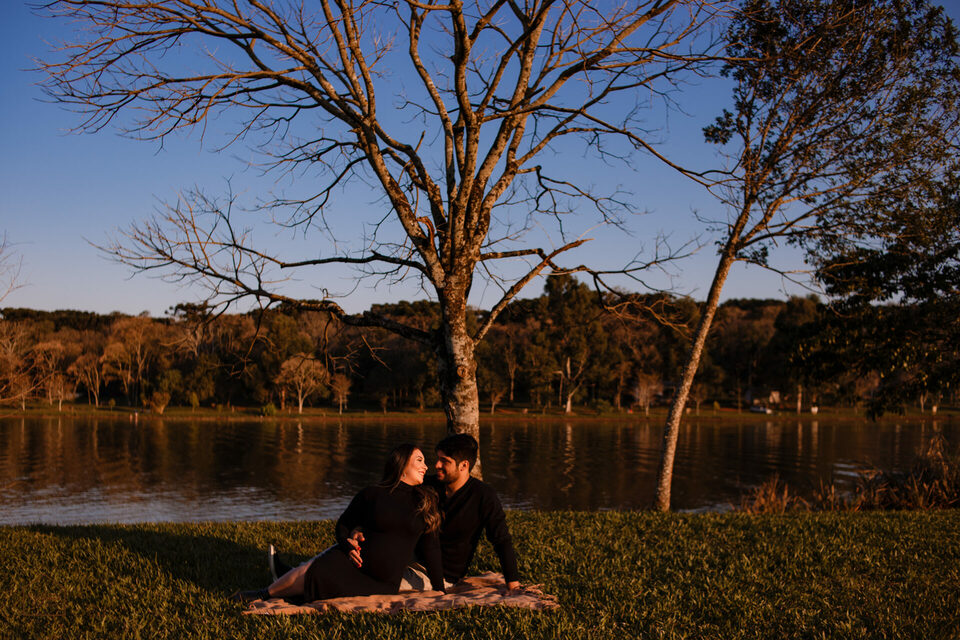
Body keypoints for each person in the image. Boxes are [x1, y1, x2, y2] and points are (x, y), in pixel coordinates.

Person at [232, 444, 445, 603]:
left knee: (316, 580)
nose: (426, 466)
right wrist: (346, 544)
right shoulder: (372, 494)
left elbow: (432, 549)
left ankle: (279, 590)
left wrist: (439, 589)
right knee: (316, 569)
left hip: (382, 582)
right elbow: (343, 524)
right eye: (419, 460)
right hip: (352, 562)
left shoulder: (425, 502)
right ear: (402, 463)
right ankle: (264, 593)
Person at [349, 434, 521, 592]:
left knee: (364, 582)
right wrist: (357, 528)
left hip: (436, 575)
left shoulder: (483, 496)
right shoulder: (427, 485)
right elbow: (386, 502)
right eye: (438, 458)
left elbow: (502, 540)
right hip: (402, 557)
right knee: (346, 561)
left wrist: (513, 586)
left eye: (444, 461)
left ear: (464, 465)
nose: (437, 465)